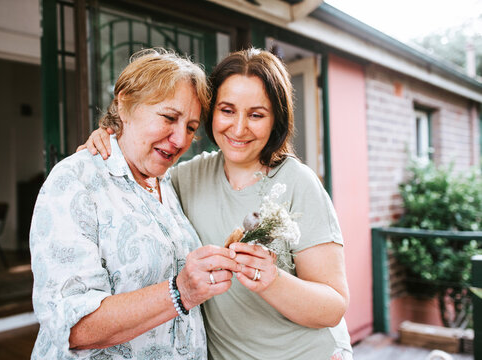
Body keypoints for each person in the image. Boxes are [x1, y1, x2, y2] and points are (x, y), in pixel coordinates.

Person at [82, 48, 353, 360]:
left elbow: (334, 306)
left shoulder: (298, 183)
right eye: (227, 110)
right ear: (212, 113)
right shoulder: (184, 177)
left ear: (276, 118)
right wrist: (109, 136)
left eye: (256, 114)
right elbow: (138, 159)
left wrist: (273, 280)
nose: (238, 129)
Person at [29, 48, 241, 360]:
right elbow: (75, 327)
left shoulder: (166, 181)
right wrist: (180, 291)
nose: (181, 140)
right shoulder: (75, 181)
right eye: (169, 117)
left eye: (191, 127)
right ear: (125, 103)